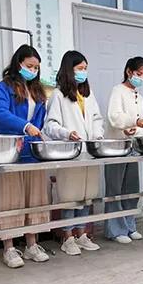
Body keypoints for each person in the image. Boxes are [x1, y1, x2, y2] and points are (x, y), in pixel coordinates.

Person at [0, 45, 51, 268]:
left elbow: (39, 121)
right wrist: (24, 126)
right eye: (29, 66)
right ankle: (9, 248)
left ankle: (32, 244)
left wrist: (37, 134)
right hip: (9, 151)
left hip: (32, 151)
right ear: (18, 64)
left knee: (35, 198)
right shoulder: (4, 87)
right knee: (10, 199)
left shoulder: (38, 91)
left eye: (36, 67)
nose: (33, 70)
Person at [44, 50, 102, 255]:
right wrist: (67, 133)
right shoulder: (58, 95)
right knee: (70, 197)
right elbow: (50, 125)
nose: (83, 72)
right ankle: (67, 237)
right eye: (80, 68)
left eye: (85, 68)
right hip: (70, 152)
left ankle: (82, 234)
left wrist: (97, 135)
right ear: (69, 69)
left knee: (86, 196)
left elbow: (97, 119)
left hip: (89, 152)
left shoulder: (87, 94)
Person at [104, 56, 143, 243]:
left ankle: (129, 226)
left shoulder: (139, 96)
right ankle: (116, 230)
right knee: (115, 189)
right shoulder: (118, 91)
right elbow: (114, 117)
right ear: (129, 71)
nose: (141, 78)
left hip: (132, 146)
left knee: (131, 188)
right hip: (116, 147)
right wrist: (132, 123)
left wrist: (136, 128)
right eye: (139, 74)